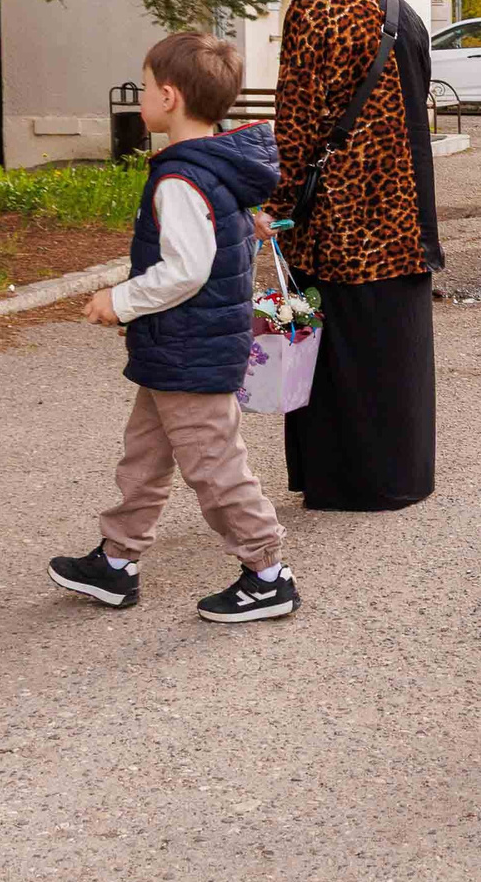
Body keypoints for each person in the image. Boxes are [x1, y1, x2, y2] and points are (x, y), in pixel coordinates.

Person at [49, 33, 300, 624]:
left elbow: (185, 271)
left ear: (168, 96)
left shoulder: (181, 180)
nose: (139, 98)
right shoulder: (214, 168)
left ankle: (267, 573)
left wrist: (121, 299)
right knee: (145, 455)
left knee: (213, 464)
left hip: (191, 347)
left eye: (143, 87)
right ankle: (117, 560)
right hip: (179, 345)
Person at [260, 0, 444, 512]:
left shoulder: (310, 14)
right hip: (399, 220)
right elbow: (417, 123)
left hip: (332, 222)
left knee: (330, 350)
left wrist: (279, 206)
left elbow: (295, 123)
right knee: (392, 351)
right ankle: (400, 478)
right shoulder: (401, 14)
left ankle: (335, 480)